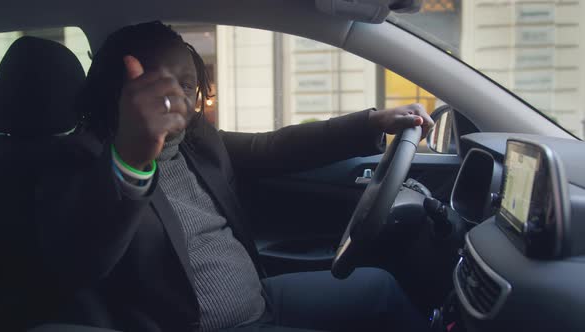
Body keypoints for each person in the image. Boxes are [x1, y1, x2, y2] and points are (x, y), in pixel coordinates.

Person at [39, 21, 434, 332]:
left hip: (261, 300)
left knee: (380, 287)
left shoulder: (196, 140)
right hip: (203, 326)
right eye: (160, 82)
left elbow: (274, 146)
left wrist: (374, 122)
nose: (178, 97)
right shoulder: (79, 163)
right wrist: (132, 157)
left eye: (188, 84)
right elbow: (84, 257)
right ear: (121, 90)